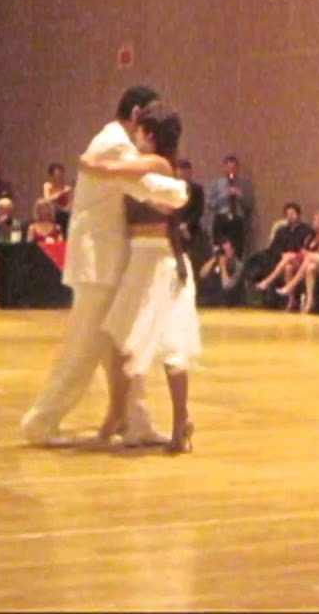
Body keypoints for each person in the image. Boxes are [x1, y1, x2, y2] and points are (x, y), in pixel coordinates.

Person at [19, 85, 190, 447]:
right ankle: (41, 422)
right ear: (135, 115)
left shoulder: (110, 139)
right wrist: (179, 193)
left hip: (105, 260)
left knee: (122, 345)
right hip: (100, 263)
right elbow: (146, 187)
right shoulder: (117, 145)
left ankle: (136, 422)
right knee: (84, 349)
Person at [80, 101, 200, 454]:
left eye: (141, 131)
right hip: (142, 261)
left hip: (160, 263)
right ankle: (120, 415)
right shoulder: (150, 168)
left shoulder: (158, 163)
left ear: (150, 134)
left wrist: (92, 164)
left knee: (172, 348)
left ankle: (179, 424)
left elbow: (116, 169)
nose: (136, 136)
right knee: (121, 341)